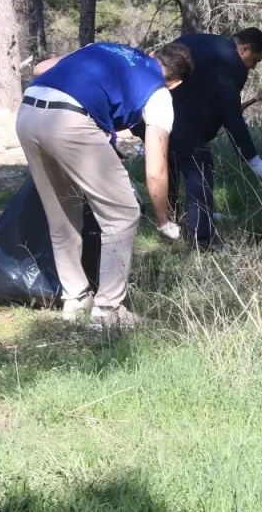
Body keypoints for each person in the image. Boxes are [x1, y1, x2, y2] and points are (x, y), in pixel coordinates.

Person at [17, 41, 193, 327]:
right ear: (176, 84)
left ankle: (75, 300)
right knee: (123, 213)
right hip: (70, 120)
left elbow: (40, 68)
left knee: (62, 212)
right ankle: (108, 311)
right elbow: (156, 170)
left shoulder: (108, 48)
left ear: (152, 54)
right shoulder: (160, 94)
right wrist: (163, 221)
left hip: (28, 111)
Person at [159, 27, 262, 249]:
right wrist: (254, 161)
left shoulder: (198, 41)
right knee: (199, 166)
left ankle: (172, 223)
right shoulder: (232, 64)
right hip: (181, 119)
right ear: (244, 49)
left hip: (157, 109)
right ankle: (203, 240)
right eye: (255, 60)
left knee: (168, 166)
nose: (253, 66)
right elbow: (231, 115)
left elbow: (200, 90)